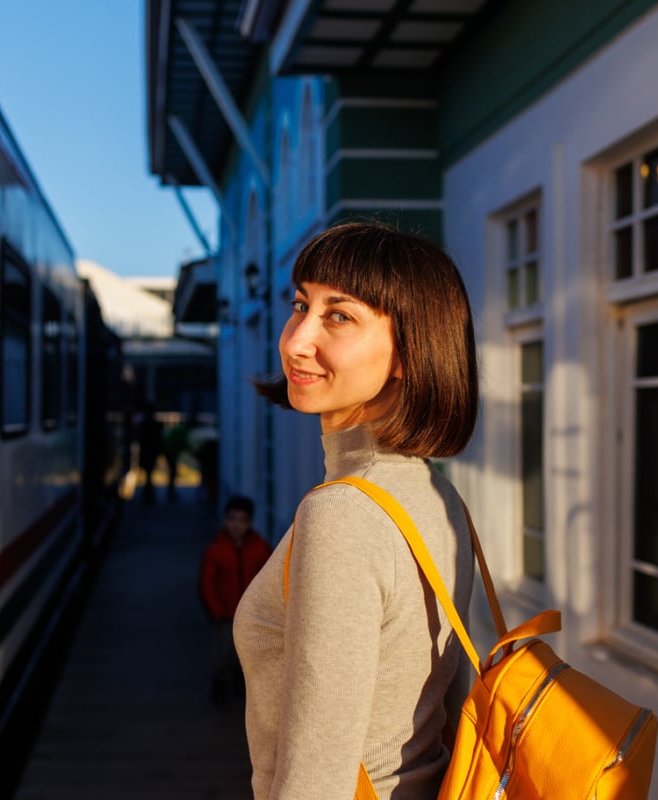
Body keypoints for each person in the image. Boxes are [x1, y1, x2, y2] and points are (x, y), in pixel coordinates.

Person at [233, 222, 479, 799]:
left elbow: (316, 784)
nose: (295, 340)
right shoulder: (436, 496)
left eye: (338, 315)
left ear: (408, 353)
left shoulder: (342, 515)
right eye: (301, 304)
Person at [198, 494, 272, 704]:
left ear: (249, 523)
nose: (236, 525)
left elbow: (268, 578)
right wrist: (216, 611)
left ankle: (242, 684)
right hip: (225, 614)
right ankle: (219, 686)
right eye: (231, 519)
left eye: (242, 521)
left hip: (252, 614)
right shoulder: (216, 550)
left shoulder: (260, 548)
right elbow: (207, 582)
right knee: (222, 652)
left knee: (248, 651)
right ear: (225, 520)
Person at [135, 400, 163, 503]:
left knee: (148, 473)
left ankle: (148, 493)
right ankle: (148, 493)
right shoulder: (154, 424)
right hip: (150, 451)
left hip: (147, 451)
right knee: (149, 473)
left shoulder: (145, 424)